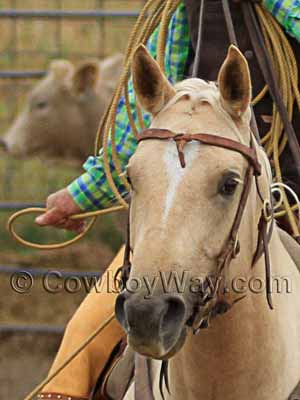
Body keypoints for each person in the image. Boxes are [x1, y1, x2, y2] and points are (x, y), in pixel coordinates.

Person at [37, 1, 300, 399]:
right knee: (81, 344)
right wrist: (81, 196)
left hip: (289, 209)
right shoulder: (183, 12)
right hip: (192, 212)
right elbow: (145, 122)